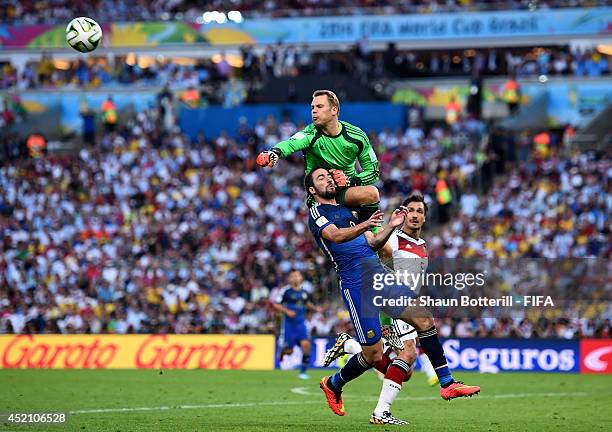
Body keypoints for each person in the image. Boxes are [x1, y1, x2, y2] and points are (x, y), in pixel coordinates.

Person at [305, 167, 480, 423]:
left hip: (379, 277)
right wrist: (366, 223)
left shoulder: (347, 212)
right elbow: (334, 236)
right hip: (356, 286)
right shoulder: (317, 213)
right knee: (373, 355)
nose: (328, 180)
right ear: (312, 190)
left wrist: (390, 226)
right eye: (321, 178)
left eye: (329, 176)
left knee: (424, 319)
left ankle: (447, 383)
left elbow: (374, 245)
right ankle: (333, 384)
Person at [324, 192, 439, 425]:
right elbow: (375, 250)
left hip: (405, 306)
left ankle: (342, 363)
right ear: (403, 214)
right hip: (390, 304)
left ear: (425, 218)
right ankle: (381, 412)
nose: (415, 216)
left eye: (420, 212)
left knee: (399, 368)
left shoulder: (422, 245)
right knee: (407, 355)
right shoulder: (393, 237)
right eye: (411, 211)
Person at [256, 89, 380, 222]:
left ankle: (372, 232)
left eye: (319, 107)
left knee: (372, 194)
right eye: (312, 107)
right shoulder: (310, 133)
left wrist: (350, 181)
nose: (314, 111)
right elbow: (291, 143)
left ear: (334, 110)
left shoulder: (357, 136)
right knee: (342, 237)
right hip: (321, 198)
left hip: (346, 192)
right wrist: (275, 152)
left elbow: (373, 172)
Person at [273, 269, 321, 380]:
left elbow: (307, 303)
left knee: (306, 346)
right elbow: (276, 304)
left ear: (301, 278)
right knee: (289, 351)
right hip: (289, 325)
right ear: (289, 279)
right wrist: (287, 311)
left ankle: (303, 372)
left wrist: (315, 308)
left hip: (301, 324)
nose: (295, 278)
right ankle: (283, 351)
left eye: (297, 276)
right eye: (293, 276)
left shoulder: (304, 293)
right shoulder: (286, 291)